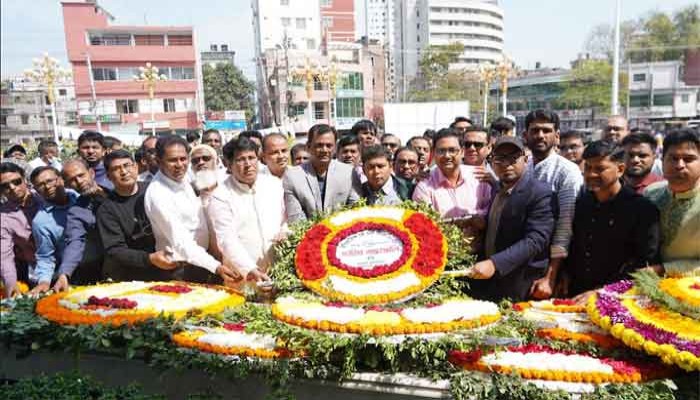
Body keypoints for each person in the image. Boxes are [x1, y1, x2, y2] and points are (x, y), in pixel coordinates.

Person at [563, 141, 660, 302]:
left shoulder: (642, 210)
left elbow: (643, 263)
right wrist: (565, 274)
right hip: (577, 294)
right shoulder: (582, 203)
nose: (591, 174)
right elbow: (575, 246)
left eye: (599, 169)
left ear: (620, 169)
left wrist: (605, 291)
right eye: (588, 168)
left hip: (619, 299)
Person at [467, 136, 555, 302]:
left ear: (526, 159)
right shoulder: (497, 189)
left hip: (522, 281)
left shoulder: (539, 192)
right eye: (500, 159)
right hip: (493, 280)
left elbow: (536, 239)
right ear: (491, 162)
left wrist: (495, 263)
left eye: (513, 158)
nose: (507, 165)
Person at [144, 135, 238, 284]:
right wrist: (216, 266)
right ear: (159, 161)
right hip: (180, 270)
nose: (179, 165)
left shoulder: (185, 179)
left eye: (183, 159)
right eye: (172, 160)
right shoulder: (158, 193)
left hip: (203, 262)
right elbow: (181, 242)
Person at [523, 109, 584, 299]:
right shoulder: (524, 168)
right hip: (524, 259)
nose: (540, 135)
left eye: (546, 130)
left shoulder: (567, 172)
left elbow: (565, 226)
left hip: (550, 267)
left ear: (556, 136)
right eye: (534, 130)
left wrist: (551, 276)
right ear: (525, 136)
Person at [208, 137, 282, 284]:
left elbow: (285, 220)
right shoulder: (220, 195)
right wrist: (249, 268)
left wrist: (285, 232)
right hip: (243, 275)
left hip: (279, 269)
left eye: (251, 158)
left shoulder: (274, 184)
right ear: (228, 164)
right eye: (241, 159)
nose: (248, 164)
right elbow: (226, 239)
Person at [97, 150, 178, 281]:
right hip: (134, 277)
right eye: (116, 169)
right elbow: (115, 249)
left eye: (127, 165)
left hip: (171, 266)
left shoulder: (155, 190)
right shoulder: (107, 210)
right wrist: (150, 258)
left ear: (135, 167)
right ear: (108, 176)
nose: (123, 172)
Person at [413, 128, 492, 246]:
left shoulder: (479, 176)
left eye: (452, 150)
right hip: (441, 255)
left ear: (462, 152)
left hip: (482, 255)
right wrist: (467, 220)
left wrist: (476, 217)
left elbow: (491, 210)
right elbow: (426, 225)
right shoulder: (424, 186)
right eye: (441, 151)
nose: (447, 155)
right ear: (434, 153)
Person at [644, 129, 700, 277]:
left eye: (688, 159)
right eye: (673, 158)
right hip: (647, 286)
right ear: (662, 161)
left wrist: (665, 269)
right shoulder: (651, 194)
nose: (679, 165)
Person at [283, 124, 360, 222]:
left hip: (342, 233)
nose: (324, 150)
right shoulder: (292, 176)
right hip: (307, 235)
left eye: (329, 145)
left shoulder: (348, 173)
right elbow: (296, 220)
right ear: (308, 147)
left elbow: (356, 212)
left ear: (335, 148)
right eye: (319, 145)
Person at [52, 159, 109, 291]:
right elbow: (75, 241)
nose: (79, 182)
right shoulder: (76, 211)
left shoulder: (115, 187)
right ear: (67, 185)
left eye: (81, 175)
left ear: (91, 173)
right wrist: (64, 274)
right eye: (72, 179)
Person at [28, 166, 79, 294]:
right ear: (36, 190)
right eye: (40, 185)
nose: (47, 186)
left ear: (61, 179)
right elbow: (45, 256)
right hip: (71, 276)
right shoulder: (41, 221)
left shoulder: (80, 198)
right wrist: (44, 281)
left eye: (50, 181)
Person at [0, 162, 42, 297]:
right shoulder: (3, 215)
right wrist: (11, 284)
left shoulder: (43, 198)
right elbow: (4, 254)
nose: (12, 188)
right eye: (5, 186)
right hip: (33, 268)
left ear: (24, 179)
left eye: (16, 182)